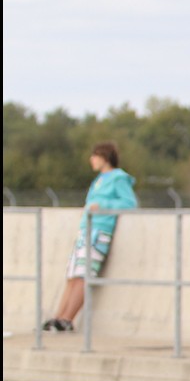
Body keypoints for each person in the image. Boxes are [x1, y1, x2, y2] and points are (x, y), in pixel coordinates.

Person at [40, 142, 137, 332]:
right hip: (86, 230)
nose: (91, 160)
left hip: (99, 231)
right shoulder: (99, 179)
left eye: (95, 156)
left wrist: (102, 204)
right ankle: (58, 317)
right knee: (72, 275)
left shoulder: (118, 178)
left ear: (105, 157)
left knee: (83, 275)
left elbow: (129, 203)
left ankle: (67, 320)